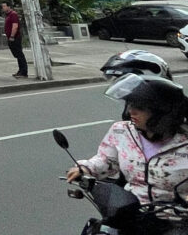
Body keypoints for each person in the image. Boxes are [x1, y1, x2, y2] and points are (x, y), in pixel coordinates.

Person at [66, 73, 188, 234]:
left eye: (140, 107)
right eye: (130, 105)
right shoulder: (122, 131)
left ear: (162, 112)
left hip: (177, 222)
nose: (131, 111)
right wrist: (85, 168)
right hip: (131, 213)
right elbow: (106, 160)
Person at [0, 1, 28, 78]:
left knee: (19, 54)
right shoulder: (7, 15)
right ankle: (20, 70)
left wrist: (12, 36)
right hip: (10, 37)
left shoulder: (13, 14)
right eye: (2, 6)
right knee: (17, 55)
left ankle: (24, 72)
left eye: (4, 6)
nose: (3, 8)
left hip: (15, 38)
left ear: (9, 7)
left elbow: (15, 26)